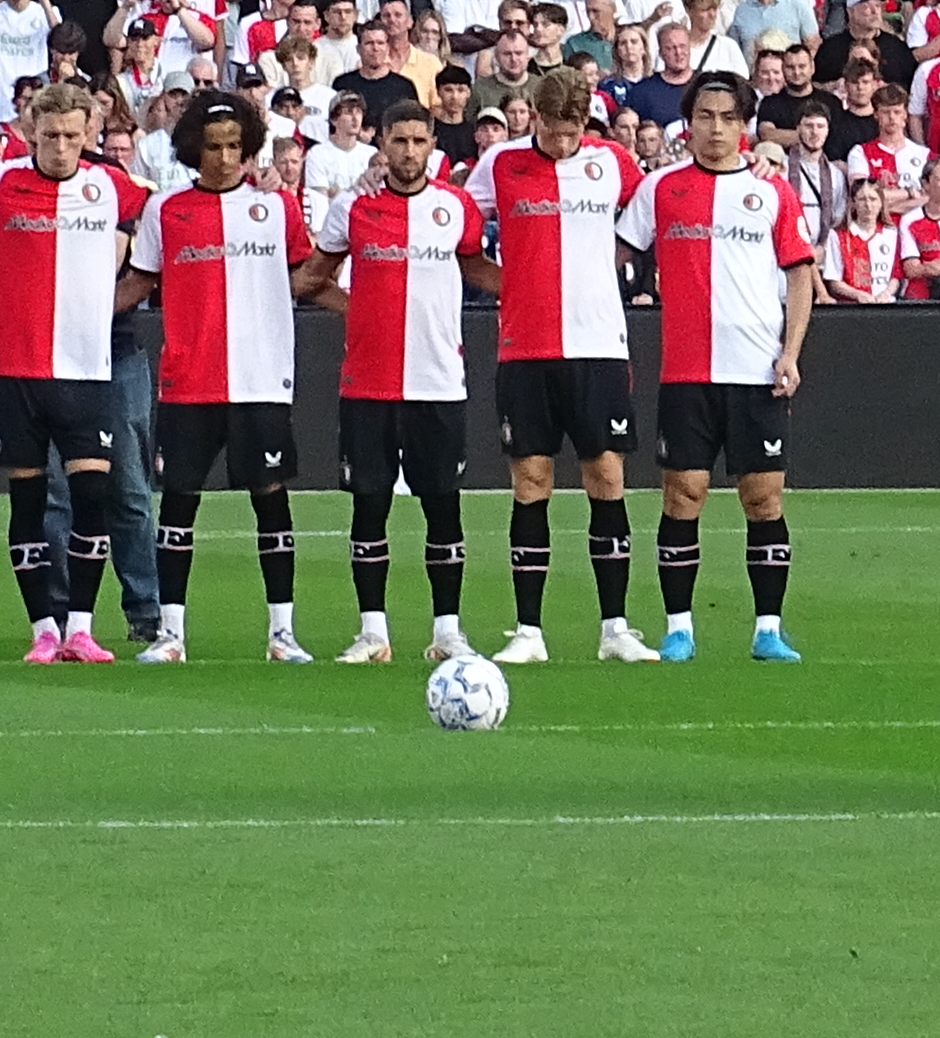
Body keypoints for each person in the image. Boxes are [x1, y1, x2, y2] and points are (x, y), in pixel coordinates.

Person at [119, 91, 321, 665]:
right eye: (214, 147)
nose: (226, 157)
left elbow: (308, 275)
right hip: (190, 380)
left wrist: (365, 307)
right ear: (193, 149)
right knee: (179, 503)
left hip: (262, 379)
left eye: (235, 146)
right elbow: (138, 283)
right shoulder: (166, 210)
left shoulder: (277, 207)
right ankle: (170, 634)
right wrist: (77, 312)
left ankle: (282, 633)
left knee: (271, 501)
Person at [625, 68, 819, 660]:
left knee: (764, 499)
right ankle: (679, 626)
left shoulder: (773, 192)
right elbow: (616, 252)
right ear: (689, 123)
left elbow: (799, 275)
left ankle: (767, 630)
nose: (715, 128)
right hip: (686, 372)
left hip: (757, 371)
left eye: (728, 118)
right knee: (683, 494)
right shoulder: (659, 188)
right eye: (705, 117)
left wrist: (791, 353)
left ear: (744, 125)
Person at [476, 64, 654, 666]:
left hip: (599, 345)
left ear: (586, 121)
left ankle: (616, 629)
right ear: (535, 115)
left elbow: (657, 211)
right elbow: (455, 227)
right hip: (525, 347)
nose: (560, 140)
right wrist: (509, 284)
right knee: (531, 482)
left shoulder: (613, 163)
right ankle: (528, 630)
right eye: (552, 128)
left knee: (606, 477)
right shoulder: (500, 164)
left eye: (571, 129)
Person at [0, 82, 142, 665]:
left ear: (90, 134)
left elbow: (167, 212)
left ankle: (81, 628)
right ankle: (43, 627)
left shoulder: (112, 187)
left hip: (86, 370)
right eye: (51, 137)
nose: (62, 148)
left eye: (73, 136)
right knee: (29, 504)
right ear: (28, 133)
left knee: (92, 495)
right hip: (14, 369)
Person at [330, 95, 482, 667]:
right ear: (382, 143)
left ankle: (447, 631)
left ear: (433, 146)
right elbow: (315, 276)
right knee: (369, 507)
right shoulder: (353, 207)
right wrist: (362, 311)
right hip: (368, 384)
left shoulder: (457, 207)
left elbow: (474, 267)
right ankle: (373, 633)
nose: (409, 151)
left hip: (439, 382)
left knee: (443, 507)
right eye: (399, 140)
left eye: (420, 141)